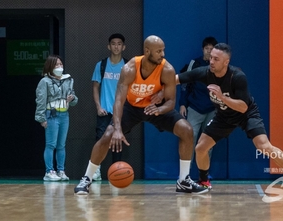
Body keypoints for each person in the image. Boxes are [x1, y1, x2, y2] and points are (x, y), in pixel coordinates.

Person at [74, 36, 208, 195]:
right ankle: (86, 179)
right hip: (132, 108)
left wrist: (159, 110)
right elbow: (119, 100)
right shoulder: (130, 68)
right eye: (159, 51)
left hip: (155, 107)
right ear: (147, 51)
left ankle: (184, 180)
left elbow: (171, 102)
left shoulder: (167, 69)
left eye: (163, 50)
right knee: (108, 134)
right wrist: (117, 129)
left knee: (186, 129)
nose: (163, 54)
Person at [176, 43, 283, 192]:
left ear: (226, 62)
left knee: (264, 146)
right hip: (224, 116)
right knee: (201, 148)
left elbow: (243, 107)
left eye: (216, 59)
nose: (211, 61)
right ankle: (204, 181)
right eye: (211, 58)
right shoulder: (205, 72)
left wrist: (221, 97)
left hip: (246, 114)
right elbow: (177, 79)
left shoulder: (237, 77)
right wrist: (159, 86)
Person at [91, 33, 127, 181]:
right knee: (101, 140)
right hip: (105, 111)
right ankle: (96, 170)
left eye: (119, 44)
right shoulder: (101, 65)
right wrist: (98, 107)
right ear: (109, 46)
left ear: (123, 47)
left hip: (121, 112)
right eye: (113, 43)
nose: (116, 46)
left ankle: (117, 172)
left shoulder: (127, 66)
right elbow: (95, 87)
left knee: (118, 142)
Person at [35, 55, 78, 181]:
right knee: (51, 144)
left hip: (64, 114)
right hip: (51, 114)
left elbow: (74, 99)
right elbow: (41, 100)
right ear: (50, 66)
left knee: (61, 145)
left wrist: (72, 99)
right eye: (56, 65)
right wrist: (41, 118)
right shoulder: (45, 81)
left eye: (61, 64)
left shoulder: (68, 79)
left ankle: (61, 170)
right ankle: (49, 171)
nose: (59, 67)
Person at [178, 36, 218, 166]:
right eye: (207, 48)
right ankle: (186, 173)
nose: (209, 51)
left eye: (212, 49)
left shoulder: (219, 66)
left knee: (208, 142)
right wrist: (182, 104)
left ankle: (204, 173)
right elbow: (185, 83)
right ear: (202, 49)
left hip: (212, 109)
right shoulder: (194, 64)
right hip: (195, 108)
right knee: (190, 138)